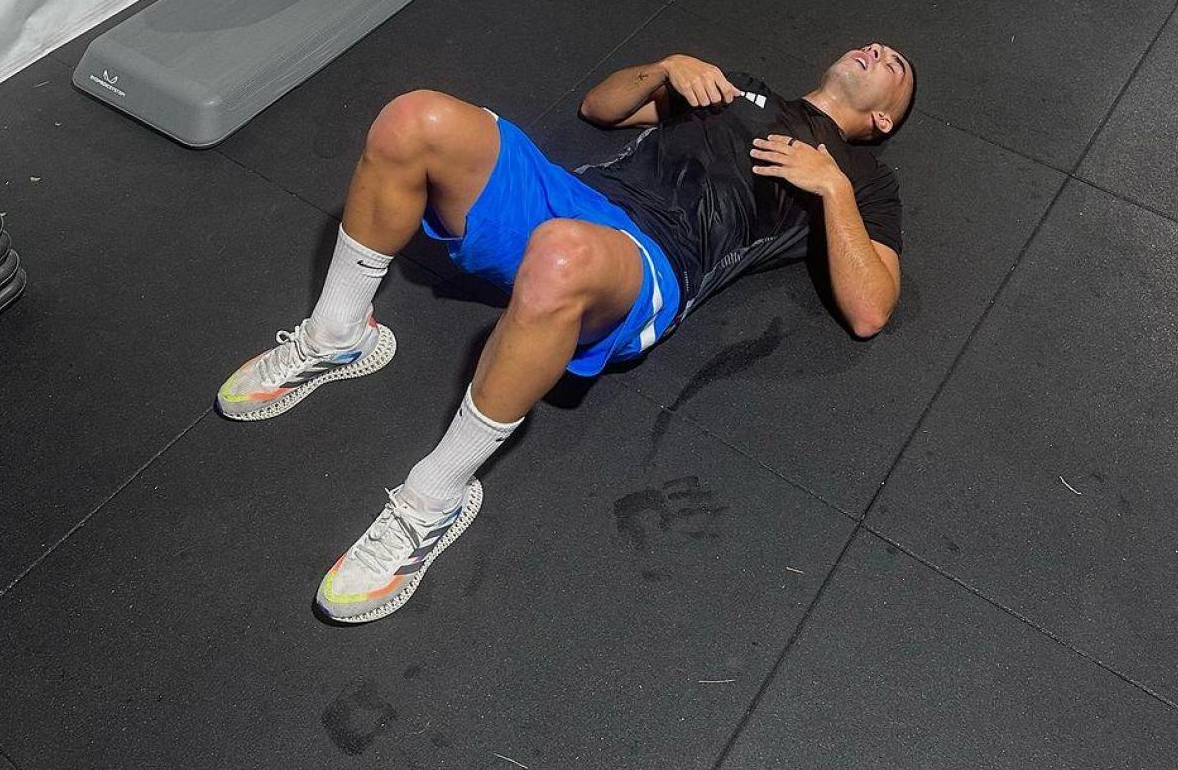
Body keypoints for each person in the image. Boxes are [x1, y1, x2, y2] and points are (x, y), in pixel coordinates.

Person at [218, 43, 916, 624]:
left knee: (561, 253)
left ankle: (433, 500)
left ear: (883, 118)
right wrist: (666, 67)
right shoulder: (741, 89)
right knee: (414, 117)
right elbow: (600, 107)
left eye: (896, 65)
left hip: (649, 262)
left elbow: (869, 308)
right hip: (571, 197)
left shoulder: (864, 179)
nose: (879, 49)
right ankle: (338, 334)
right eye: (878, 44)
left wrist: (834, 190)